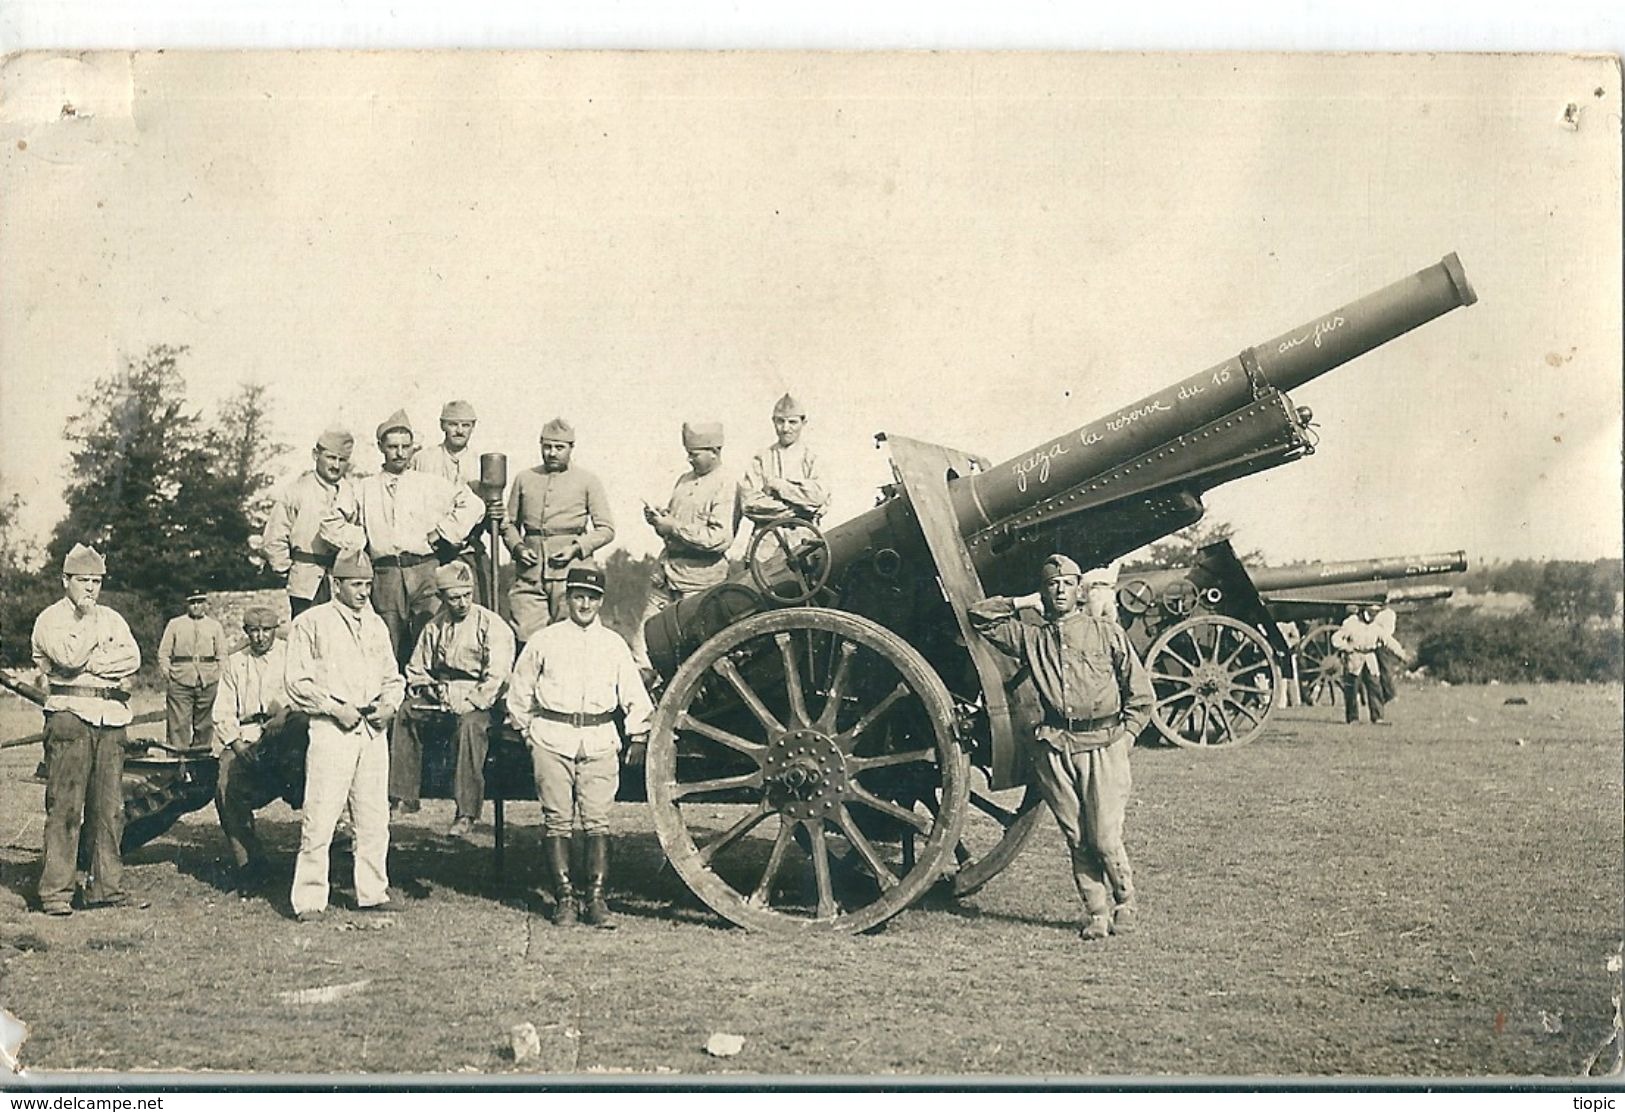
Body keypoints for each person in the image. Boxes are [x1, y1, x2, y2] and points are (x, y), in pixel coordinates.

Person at [968, 553, 1154, 942]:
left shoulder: (1106, 633)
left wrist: (1127, 738)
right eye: (1052, 584)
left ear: (1079, 590)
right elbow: (980, 617)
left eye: (1067, 583)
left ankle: (1126, 901)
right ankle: (1097, 912)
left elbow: (1140, 693)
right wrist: (1020, 604)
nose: (1059, 590)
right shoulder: (1031, 637)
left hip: (1104, 744)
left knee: (1104, 836)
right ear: (1043, 591)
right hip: (1055, 748)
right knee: (1077, 838)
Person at [505, 564, 653, 928]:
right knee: (557, 821)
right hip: (552, 737)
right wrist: (527, 732)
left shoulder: (613, 644)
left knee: (597, 822)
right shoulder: (545, 640)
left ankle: (597, 900)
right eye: (578, 596)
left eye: (592, 598)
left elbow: (634, 696)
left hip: (600, 740)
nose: (585, 604)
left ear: (601, 602)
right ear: (568, 598)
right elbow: (519, 691)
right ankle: (565, 899)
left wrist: (637, 734)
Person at [284, 548, 404, 921]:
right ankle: (309, 900)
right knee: (321, 816)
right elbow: (296, 682)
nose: (363, 592)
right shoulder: (312, 623)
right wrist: (335, 708)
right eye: (355, 585)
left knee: (373, 817)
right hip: (332, 728)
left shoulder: (376, 625)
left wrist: (389, 704)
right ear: (336, 584)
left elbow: (392, 676)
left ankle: (372, 891)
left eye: (368, 585)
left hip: (371, 729)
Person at [30, 544, 144, 916]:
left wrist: (90, 665)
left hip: (111, 718)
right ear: (65, 581)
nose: (90, 589)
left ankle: (105, 887)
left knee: (109, 809)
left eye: (96, 582)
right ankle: (56, 891)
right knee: (65, 806)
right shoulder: (50, 619)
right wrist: (91, 639)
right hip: (70, 717)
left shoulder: (113, 618)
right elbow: (67, 658)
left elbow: (133, 658)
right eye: (83, 581)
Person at [341, 409, 484, 669]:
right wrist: (361, 540)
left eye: (406, 447)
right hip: (385, 574)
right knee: (387, 639)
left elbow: (473, 506)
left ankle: (427, 697)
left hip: (424, 571)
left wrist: (442, 533)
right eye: (392, 447)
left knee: (429, 634)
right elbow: (334, 522)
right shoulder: (363, 487)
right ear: (381, 447)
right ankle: (391, 700)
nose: (399, 453)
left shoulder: (429, 484)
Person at [391, 560, 516, 832]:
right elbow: (416, 668)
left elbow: (498, 676)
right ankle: (404, 795)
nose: (462, 603)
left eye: (466, 595)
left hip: (481, 701)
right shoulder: (435, 626)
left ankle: (466, 812)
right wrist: (428, 688)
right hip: (443, 696)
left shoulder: (491, 625)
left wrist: (472, 701)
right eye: (454, 597)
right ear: (442, 598)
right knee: (406, 712)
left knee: (470, 727)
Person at [211, 606, 309, 895]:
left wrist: (287, 713)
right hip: (249, 734)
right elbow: (223, 708)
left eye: (266, 630)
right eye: (254, 631)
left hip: (287, 731)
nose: (260, 637)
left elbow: (306, 692)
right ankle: (250, 863)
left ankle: (321, 856)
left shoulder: (291, 655)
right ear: (246, 632)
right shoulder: (235, 662)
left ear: (276, 630)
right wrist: (237, 743)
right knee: (225, 780)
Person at [631, 421, 742, 672]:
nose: (689, 459)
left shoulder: (727, 484)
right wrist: (659, 520)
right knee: (642, 650)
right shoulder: (684, 481)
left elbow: (719, 538)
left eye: (694, 454)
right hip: (666, 579)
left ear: (714, 451)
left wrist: (674, 527)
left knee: (695, 659)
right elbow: (675, 524)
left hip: (699, 586)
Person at [500, 418, 616, 640]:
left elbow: (606, 529)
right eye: (547, 447)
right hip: (530, 576)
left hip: (572, 576)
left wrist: (576, 548)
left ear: (571, 448)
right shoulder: (525, 479)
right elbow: (508, 524)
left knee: (571, 637)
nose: (552, 453)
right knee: (526, 637)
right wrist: (518, 547)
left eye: (559, 447)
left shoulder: (587, 481)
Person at [261, 427, 364, 618]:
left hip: (340, 580)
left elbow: (357, 532)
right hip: (305, 581)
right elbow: (274, 537)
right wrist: (286, 569)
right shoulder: (296, 491)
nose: (336, 465)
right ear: (316, 455)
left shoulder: (350, 492)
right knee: (307, 633)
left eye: (342, 460)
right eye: (331, 458)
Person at [412, 399, 495, 610]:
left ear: (473, 427)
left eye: (465, 425)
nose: (459, 430)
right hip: (431, 551)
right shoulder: (422, 459)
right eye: (453, 424)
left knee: (472, 608)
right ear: (442, 425)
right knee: (428, 612)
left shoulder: (481, 463)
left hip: (468, 549)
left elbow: (491, 510)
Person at [738, 393, 829, 529]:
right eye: (781, 421)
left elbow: (819, 497)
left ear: (803, 423)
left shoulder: (813, 459)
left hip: (804, 534)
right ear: (773, 421)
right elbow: (749, 504)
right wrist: (799, 509)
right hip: (767, 536)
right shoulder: (762, 458)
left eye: (792, 422)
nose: (786, 429)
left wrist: (779, 486)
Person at [156, 590, 228, 752]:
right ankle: (177, 765)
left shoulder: (214, 626)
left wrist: (218, 676)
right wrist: (168, 674)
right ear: (187, 604)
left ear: (205, 604)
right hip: (180, 679)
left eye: (200, 602)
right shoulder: (175, 624)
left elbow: (222, 654)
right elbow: (164, 653)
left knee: (205, 725)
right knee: (178, 725)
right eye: (192, 603)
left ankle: (200, 766)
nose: (196, 606)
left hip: (207, 680)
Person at [1331, 604, 1406, 726]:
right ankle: (1352, 718)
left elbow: (1388, 641)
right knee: (1352, 687)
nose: (1372, 616)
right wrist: (1347, 647)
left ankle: (1377, 717)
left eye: (1375, 613)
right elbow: (1335, 639)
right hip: (1355, 657)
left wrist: (1401, 654)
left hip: (1370, 658)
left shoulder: (1375, 626)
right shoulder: (1351, 623)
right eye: (1371, 613)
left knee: (1375, 685)